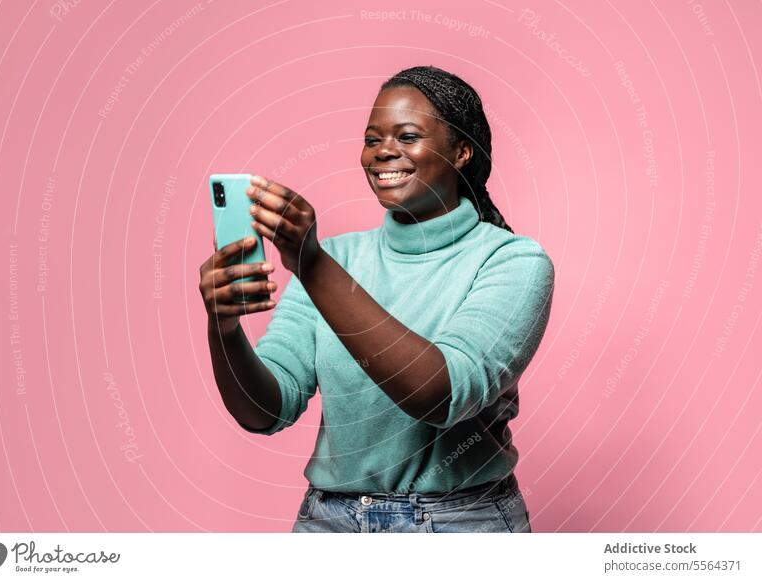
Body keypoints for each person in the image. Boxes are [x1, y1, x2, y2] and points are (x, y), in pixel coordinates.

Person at [199, 65, 555, 533]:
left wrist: (313, 266)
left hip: (460, 526)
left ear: (462, 152)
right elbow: (265, 409)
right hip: (330, 525)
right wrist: (222, 329)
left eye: (407, 136)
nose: (384, 150)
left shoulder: (513, 262)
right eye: (372, 139)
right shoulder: (338, 257)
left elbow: (440, 395)